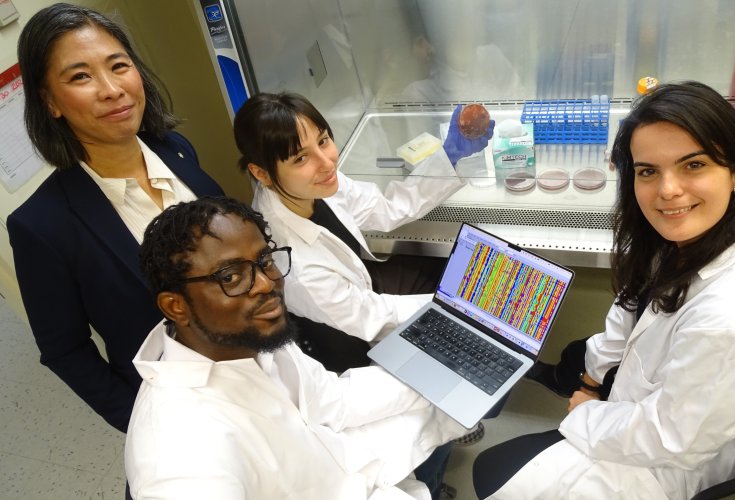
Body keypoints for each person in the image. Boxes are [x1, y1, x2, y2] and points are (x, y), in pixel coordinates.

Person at [471, 81, 735, 499]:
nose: (667, 191)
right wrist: (591, 380)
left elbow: (670, 439)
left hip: (671, 474)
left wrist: (585, 415)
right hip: (638, 417)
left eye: (693, 165)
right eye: (648, 171)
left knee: (496, 472)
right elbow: (631, 311)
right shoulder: (696, 236)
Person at [125, 196, 466, 499]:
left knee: (457, 407)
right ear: (175, 306)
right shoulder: (178, 454)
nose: (266, 284)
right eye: (230, 277)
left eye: (265, 261)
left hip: (347, 469)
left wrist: (450, 370)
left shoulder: (248, 340)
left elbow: (332, 399)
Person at [7, 3, 224, 433]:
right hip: (182, 410)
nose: (111, 89)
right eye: (80, 76)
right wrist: (145, 425)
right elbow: (65, 351)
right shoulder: (41, 226)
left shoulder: (174, 148)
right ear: (50, 101)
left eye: (118, 65)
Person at [233, 92, 493, 371]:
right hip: (350, 344)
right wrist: (456, 305)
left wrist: (448, 156)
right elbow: (370, 316)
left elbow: (385, 208)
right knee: (471, 310)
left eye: (323, 141)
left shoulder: (309, 185)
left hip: (364, 288)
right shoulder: (295, 268)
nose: (327, 162)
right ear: (262, 173)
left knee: (468, 272)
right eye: (300, 158)